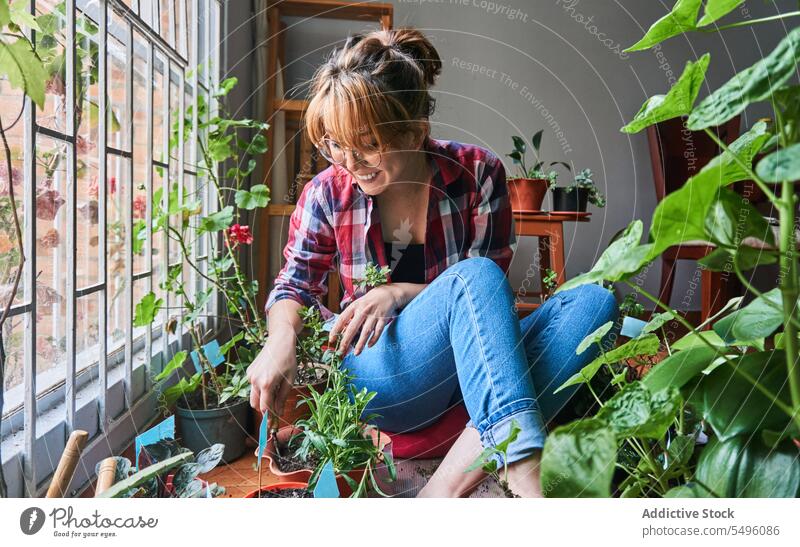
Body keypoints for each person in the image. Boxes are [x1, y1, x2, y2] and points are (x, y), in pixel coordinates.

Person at [246, 27, 618, 497]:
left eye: (366, 144)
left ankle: (441, 488)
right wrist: (281, 337)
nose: (349, 162)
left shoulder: (478, 173)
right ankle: (527, 476)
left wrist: (397, 292)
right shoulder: (326, 192)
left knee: (593, 302)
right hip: (383, 377)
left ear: (414, 130)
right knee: (475, 277)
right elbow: (293, 286)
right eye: (335, 145)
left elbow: (486, 295)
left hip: (475, 376)